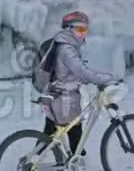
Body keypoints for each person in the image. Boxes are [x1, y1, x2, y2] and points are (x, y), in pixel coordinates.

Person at [42, 11, 119, 158]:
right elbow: (81, 72)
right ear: (69, 29)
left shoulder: (64, 45)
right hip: (63, 97)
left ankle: (68, 156)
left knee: (60, 128)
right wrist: (106, 78)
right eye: (80, 30)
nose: (84, 34)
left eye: (85, 30)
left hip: (60, 93)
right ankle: (39, 160)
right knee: (69, 126)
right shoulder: (67, 49)